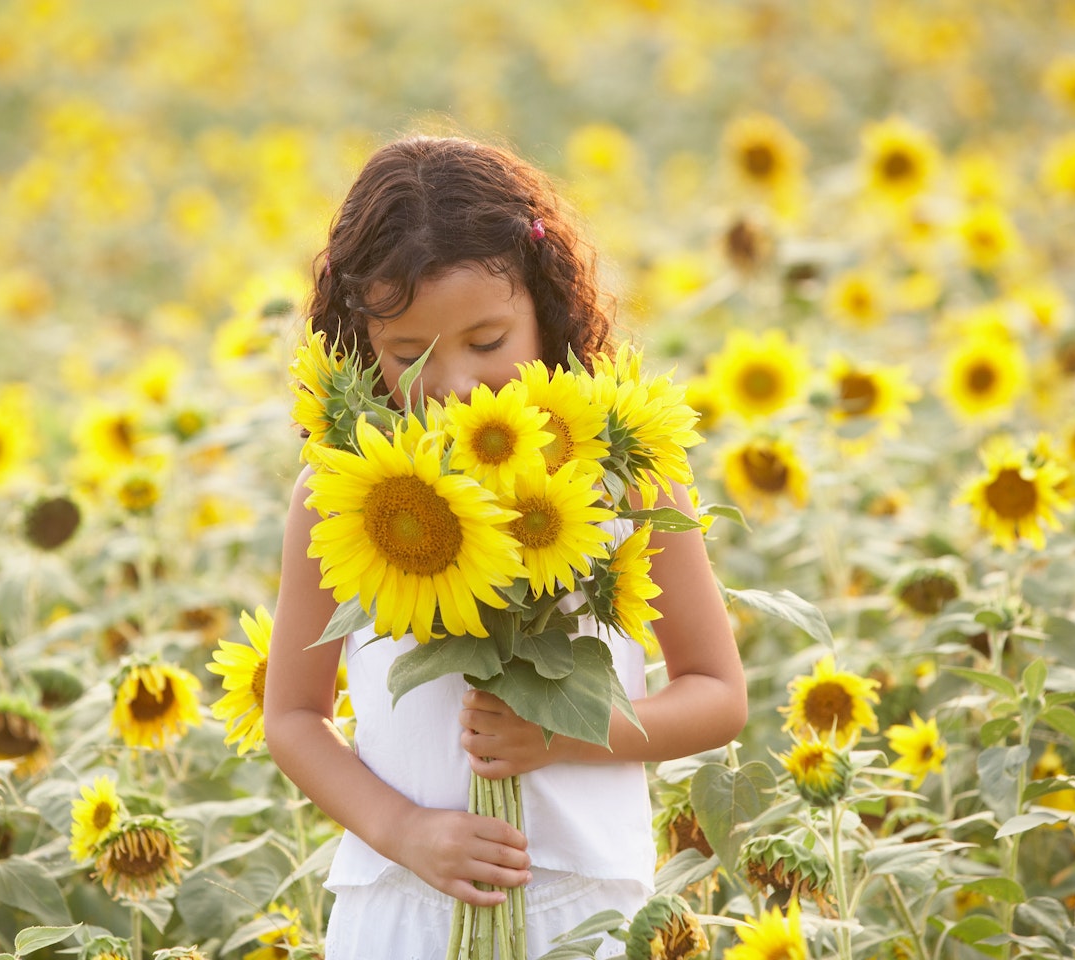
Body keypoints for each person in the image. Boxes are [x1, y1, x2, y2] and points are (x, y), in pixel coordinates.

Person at [263, 134, 748, 960]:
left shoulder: (621, 474)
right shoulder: (342, 495)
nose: (452, 383)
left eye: (487, 343)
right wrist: (404, 829)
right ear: (358, 344)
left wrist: (563, 734)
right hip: (403, 908)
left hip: (583, 907)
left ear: (548, 309)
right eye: (407, 355)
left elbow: (717, 694)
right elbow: (293, 717)